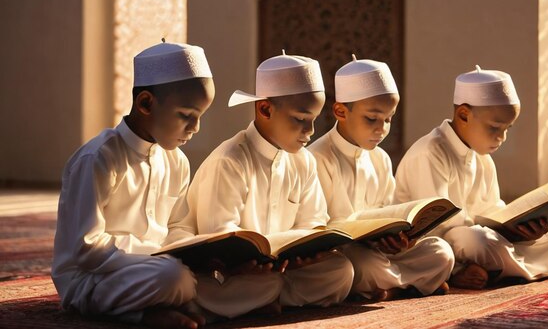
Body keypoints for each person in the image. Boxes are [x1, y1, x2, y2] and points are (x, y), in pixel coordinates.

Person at [174, 51, 354, 315]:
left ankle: (260, 301)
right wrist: (247, 264)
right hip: (231, 275)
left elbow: (313, 222)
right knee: (251, 283)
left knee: (341, 271)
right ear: (265, 109)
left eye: (314, 120)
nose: (310, 131)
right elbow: (219, 238)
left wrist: (307, 253)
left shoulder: (303, 161)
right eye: (300, 119)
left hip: (281, 271)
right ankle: (263, 298)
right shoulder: (230, 159)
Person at [52, 42, 215, 329]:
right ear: (146, 104)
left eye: (200, 116)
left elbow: (177, 225)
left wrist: (196, 250)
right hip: (93, 276)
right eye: (186, 115)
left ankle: (161, 305)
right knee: (173, 277)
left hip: (156, 267)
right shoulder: (98, 158)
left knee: (217, 277)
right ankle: (143, 314)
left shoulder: (177, 162)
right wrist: (159, 255)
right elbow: (87, 248)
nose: (195, 128)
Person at [394, 66, 548, 289]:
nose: (502, 137)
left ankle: (509, 270)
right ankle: (460, 272)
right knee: (476, 240)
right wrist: (500, 231)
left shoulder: (482, 157)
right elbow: (437, 225)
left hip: (479, 236)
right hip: (437, 240)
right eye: (495, 127)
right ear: (464, 115)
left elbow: (491, 209)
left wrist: (521, 229)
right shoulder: (430, 152)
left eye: (507, 129)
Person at [308, 55, 454, 301]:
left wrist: (398, 238)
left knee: (442, 252)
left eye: (388, 119)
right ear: (340, 111)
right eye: (372, 118)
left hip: (382, 252)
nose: (381, 128)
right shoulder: (317, 157)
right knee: (360, 265)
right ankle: (411, 285)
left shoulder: (381, 158)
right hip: (349, 252)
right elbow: (322, 229)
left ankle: (391, 289)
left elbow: (389, 213)